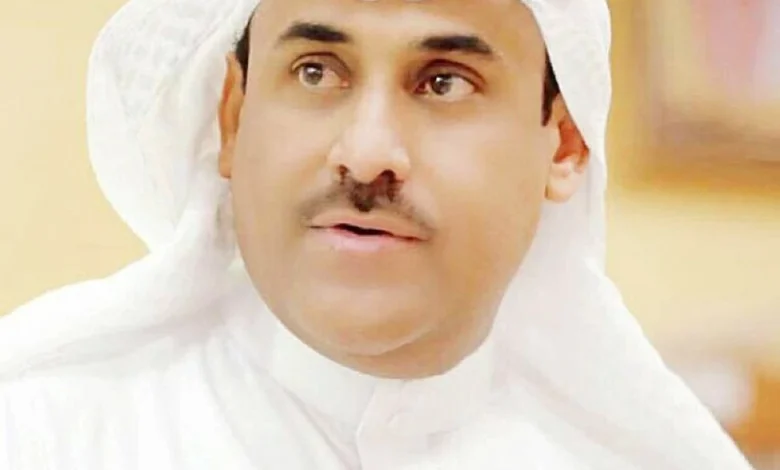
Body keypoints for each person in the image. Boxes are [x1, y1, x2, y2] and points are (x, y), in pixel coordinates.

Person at [0, 0, 754, 468]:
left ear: (564, 145)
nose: (365, 154)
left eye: (444, 81)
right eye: (316, 72)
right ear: (232, 118)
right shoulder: (45, 436)